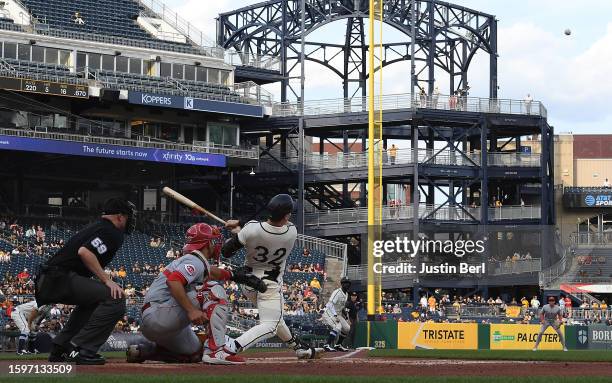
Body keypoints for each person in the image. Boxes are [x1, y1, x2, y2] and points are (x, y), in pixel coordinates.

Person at [126, 223, 266, 365]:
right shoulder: (195, 261)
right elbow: (173, 281)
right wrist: (192, 310)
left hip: (159, 323)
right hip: (159, 314)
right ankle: (216, 351)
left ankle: (146, 350)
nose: (215, 244)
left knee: (195, 354)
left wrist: (233, 275)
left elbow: (210, 271)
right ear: (207, 244)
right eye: (213, 240)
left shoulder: (195, 261)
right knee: (213, 290)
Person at [222, 194, 323, 360]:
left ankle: (297, 347)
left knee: (276, 319)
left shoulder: (251, 229)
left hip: (248, 283)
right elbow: (267, 227)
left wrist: (238, 234)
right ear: (285, 216)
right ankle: (233, 346)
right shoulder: (291, 231)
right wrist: (241, 227)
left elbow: (226, 252)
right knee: (271, 325)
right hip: (269, 286)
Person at [35, 198, 136, 365]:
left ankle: (60, 347)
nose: (129, 220)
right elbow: (85, 252)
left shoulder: (99, 226)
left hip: (51, 278)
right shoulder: (112, 231)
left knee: (94, 301)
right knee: (116, 297)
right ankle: (80, 348)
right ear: (119, 216)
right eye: (128, 216)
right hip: (58, 278)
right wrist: (107, 280)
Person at [322, 277, 351, 352]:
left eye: (348, 283)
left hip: (338, 313)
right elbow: (330, 304)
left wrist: (347, 317)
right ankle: (326, 345)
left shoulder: (346, 294)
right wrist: (335, 315)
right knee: (337, 326)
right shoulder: (337, 292)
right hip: (329, 312)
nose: (347, 284)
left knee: (347, 328)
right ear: (342, 284)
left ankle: (338, 345)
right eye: (345, 283)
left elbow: (342, 307)